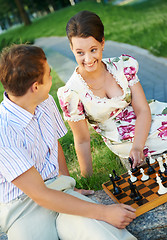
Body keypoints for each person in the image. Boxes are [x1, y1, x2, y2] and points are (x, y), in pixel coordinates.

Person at [0, 44, 137, 240]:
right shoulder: (3, 132)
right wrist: (105, 212)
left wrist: (66, 183)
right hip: (22, 206)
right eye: (48, 74)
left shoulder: (44, 101)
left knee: (100, 233)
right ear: (35, 87)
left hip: (55, 187)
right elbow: (39, 194)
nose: (51, 76)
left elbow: (53, 144)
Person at [57, 10, 167, 177]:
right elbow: (82, 140)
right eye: (80, 52)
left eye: (93, 50)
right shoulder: (71, 92)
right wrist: (88, 179)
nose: (88, 59)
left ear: (102, 43)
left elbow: (143, 109)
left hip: (148, 116)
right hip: (121, 137)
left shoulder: (122, 66)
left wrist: (138, 147)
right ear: (71, 48)